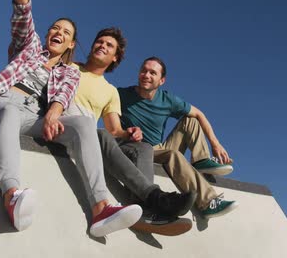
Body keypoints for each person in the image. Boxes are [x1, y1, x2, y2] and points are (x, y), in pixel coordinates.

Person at [0, 0, 141, 237]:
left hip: (32, 116)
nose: (57, 33)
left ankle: (101, 207)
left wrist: (53, 114)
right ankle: (11, 196)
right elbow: (22, 11)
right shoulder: (30, 48)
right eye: (55, 28)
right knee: (10, 108)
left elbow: (62, 95)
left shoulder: (68, 72)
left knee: (85, 123)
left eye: (65, 32)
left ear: (72, 44)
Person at [67, 28, 195, 235]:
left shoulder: (110, 91)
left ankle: (144, 211)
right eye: (99, 42)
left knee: (143, 147)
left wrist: (129, 133)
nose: (102, 46)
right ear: (91, 47)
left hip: (89, 138)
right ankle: (157, 199)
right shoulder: (70, 68)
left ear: (115, 57)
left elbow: (114, 129)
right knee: (97, 133)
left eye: (109, 45)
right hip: (64, 127)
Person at [118, 57, 239, 219]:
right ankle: (208, 202)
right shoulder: (122, 95)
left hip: (159, 147)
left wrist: (215, 144)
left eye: (152, 73)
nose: (146, 75)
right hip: (137, 149)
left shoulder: (167, 100)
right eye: (144, 71)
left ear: (161, 80)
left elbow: (199, 113)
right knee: (172, 155)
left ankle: (200, 160)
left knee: (191, 119)